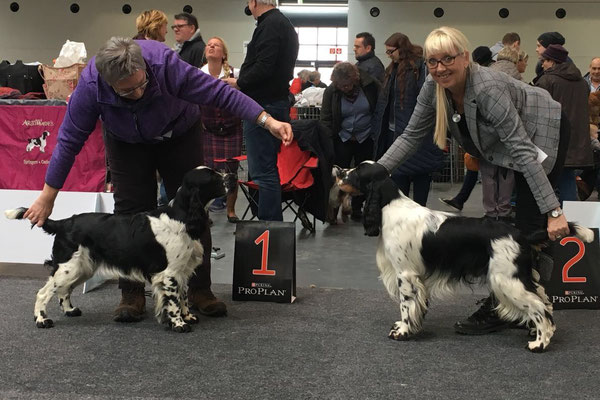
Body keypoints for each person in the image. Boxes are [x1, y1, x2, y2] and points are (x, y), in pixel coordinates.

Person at [24, 37, 292, 323]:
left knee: (193, 209)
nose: (138, 94)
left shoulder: (166, 66)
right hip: (125, 141)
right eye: (127, 91)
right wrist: (47, 196)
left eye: (141, 85)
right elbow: (68, 141)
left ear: (144, 69)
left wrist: (267, 121)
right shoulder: (91, 87)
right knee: (129, 210)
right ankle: (132, 293)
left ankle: (200, 291)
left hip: (179, 133)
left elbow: (220, 93)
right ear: (108, 83)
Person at [376, 26, 571, 335]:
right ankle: (509, 299)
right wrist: (379, 170)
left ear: (465, 57)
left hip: (542, 134)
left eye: (447, 59)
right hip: (503, 146)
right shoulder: (433, 86)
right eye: (432, 61)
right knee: (501, 223)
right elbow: (411, 135)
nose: (439, 68)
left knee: (531, 221)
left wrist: (554, 210)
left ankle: (519, 303)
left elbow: (522, 149)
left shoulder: (488, 88)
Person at [224, 0, 299, 221]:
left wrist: (239, 82)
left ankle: (268, 227)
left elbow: (264, 66)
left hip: (264, 104)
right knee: (266, 170)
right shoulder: (281, 24)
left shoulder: (270, 25)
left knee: (263, 172)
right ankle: (269, 224)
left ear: (254, 2)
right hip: (274, 102)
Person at [372, 32, 444, 207]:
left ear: (401, 49)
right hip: (395, 132)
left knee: (418, 179)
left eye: (391, 52)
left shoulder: (419, 67)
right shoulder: (393, 69)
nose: (389, 55)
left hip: (415, 132)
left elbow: (426, 102)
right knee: (399, 181)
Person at [321, 62, 380, 220]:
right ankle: (334, 209)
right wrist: (326, 142)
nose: (345, 88)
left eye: (347, 85)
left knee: (363, 176)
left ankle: (357, 208)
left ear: (355, 80)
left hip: (366, 137)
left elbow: (380, 109)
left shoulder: (371, 86)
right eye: (340, 85)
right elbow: (326, 119)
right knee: (339, 176)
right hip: (342, 138)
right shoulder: (331, 91)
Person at [536, 44, 593, 203]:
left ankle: (550, 221)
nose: (542, 64)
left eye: (544, 61)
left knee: (545, 185)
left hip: (552, 141)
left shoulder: (547, 80)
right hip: (576, 142)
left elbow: (538, 111)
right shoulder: (582, 82)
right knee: (567, 181)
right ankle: (571, 221)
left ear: (552, 62)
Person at [200, 37, 243, 223]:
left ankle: (231, 210)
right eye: (209, 44)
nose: (211, 46)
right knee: (206, 173)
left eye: (216, 45)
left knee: (231, 172)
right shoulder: (197, 74)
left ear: (223, 54)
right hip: (207, 130)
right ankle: (205, 212)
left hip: (232, 129)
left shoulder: (235, 74)